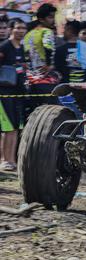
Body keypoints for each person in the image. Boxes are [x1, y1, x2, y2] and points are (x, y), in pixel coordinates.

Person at [0, 18, 27, 171]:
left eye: (23, 28)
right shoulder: (4, 47)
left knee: (16, 127)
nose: (21, 31)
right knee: (8, 127)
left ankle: (12, 160)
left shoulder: (21, 48)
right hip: (4, 93)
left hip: (18, 93)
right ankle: (5, 160)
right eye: (18, 28)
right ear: (11, 29)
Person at [23, 3, 59, 117]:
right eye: (50, 17)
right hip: (45, 80)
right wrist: (48, 65)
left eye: (53, 16)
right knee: (50, 114)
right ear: (41, 19)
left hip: (30, 80)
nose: (52, 20)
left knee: (34, 114)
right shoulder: (47, 32)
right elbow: (48, 47)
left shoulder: (28, 34)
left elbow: (26, 54)